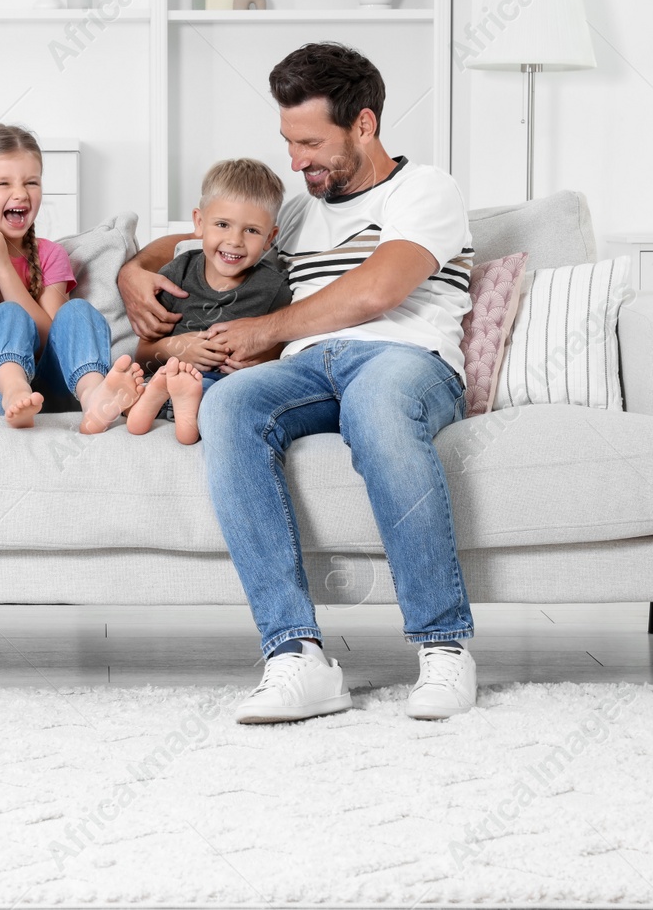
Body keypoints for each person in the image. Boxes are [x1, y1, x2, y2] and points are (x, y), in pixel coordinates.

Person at [118, 42, 478, 724]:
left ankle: (443, 645)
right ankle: (295, 656)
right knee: (227, 404)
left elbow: (377, 290)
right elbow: (193, 239)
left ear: (363, 126)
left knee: (376, 404)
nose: (296, 160)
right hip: (308, 369)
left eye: (310, 141)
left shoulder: (425, 189)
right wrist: (132, 271)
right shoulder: (297, 210)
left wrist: (266, 329)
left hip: (404, 360)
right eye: (288, 141)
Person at [0, 124, 144, 431]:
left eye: (31, 182)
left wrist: (4, 266)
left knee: (77, 310)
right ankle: (15, 390)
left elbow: (53, 334)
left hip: (55, 385)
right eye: (3, 183)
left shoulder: (50, 254)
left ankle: (94, 395)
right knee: (7, 313)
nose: (21, 193)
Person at [126, 158, 292, 444]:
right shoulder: (177, 273)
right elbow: (143, 353)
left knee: (226, 394)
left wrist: (255, 363)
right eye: (223, 224)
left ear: (270, 238)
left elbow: (279, 353)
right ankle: (157, 401)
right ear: (200, 223)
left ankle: (177, 407)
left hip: (222, 387)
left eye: (251, 230)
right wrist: (177, 350)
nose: (235, 240)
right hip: (168, 375)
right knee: (138, 381)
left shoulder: (273, 287)